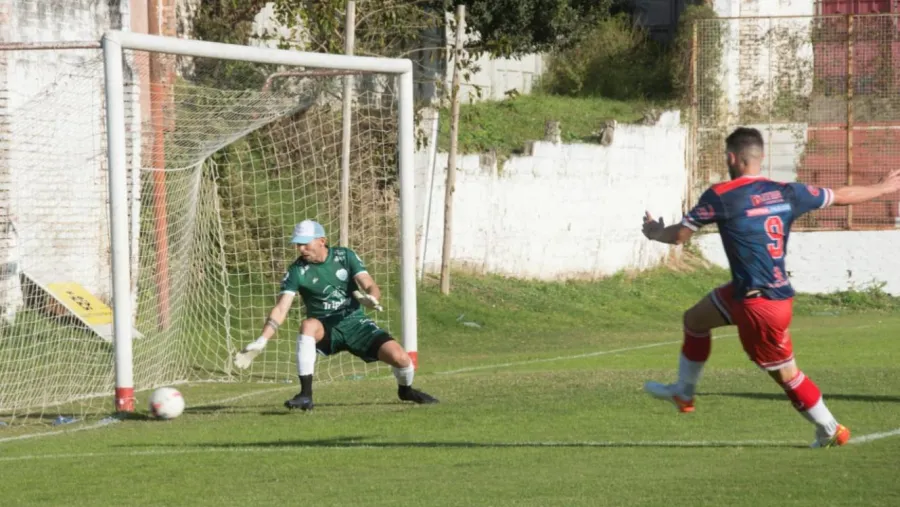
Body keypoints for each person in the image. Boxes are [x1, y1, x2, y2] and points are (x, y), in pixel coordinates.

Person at [641, 126, 900, 448]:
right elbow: (841, 195)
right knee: (695, 320)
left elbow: (680, 235)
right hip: (748, 292)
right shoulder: (787, 191)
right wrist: (883, 188)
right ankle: (684, 391)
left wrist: (653, 232)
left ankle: (830, 428)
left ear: (731, 158)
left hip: (759, 305)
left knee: (787, 375)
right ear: (760, 158)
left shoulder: (721, 195)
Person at [234, 219, 438, 410]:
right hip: (325, 329)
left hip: (356, 324)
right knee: (307, 325)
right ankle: (306, 395)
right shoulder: (297, 271)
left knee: (401, 358)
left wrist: (372, 298)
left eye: (305, 243)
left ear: (322, 241)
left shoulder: (345, 256)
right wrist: (262, 340)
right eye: (297, 244)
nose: (300, 249)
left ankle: (406, 391)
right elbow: (280, 308)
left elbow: (369, 284)